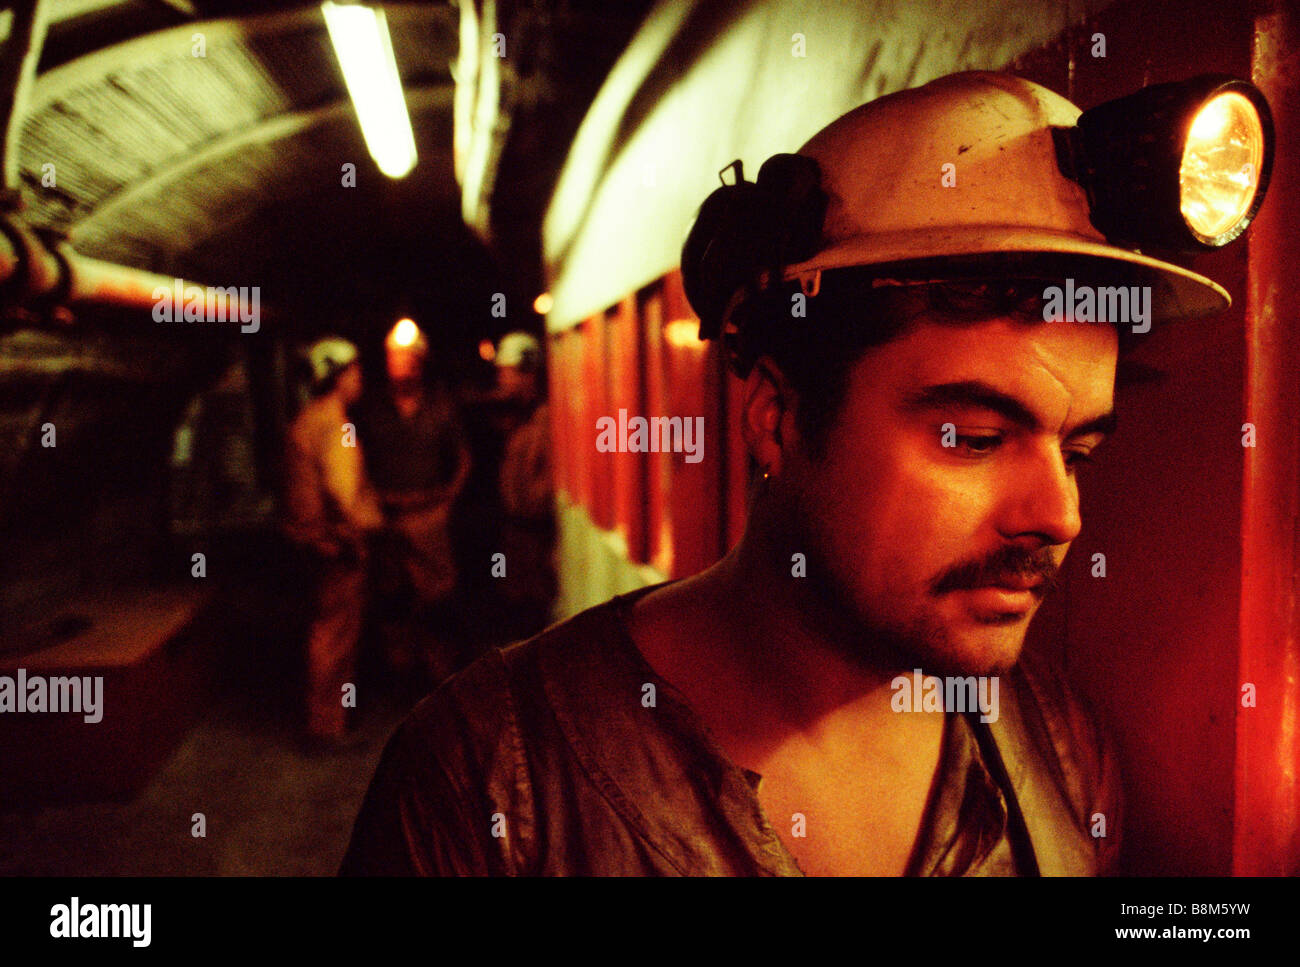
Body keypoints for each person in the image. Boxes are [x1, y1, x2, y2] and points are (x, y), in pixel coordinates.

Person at [339, 71, 1237, 875]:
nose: (1059, 514)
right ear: (777, 413)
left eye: (1078, 451)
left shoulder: (1066, 749)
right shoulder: (490, 788)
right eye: (972, 436)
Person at [282, 337, 383, 746]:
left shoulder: (309, 418)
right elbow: (343, 492)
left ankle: (325, 719)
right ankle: (326, 726)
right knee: (335, 635)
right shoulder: (335, 423)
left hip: (312, 540)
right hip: (334, 545)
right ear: (337, 376)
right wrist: (365, 531)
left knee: (325, 629)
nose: (360, 379)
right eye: (354, 371)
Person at [360, 319, 472, 687]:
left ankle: (440, 678)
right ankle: (400, 676)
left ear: (421, 361)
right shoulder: (370, 408)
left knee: (438, 601)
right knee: (391, 598)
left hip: (430, 517)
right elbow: (353, 458)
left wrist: (448, 502)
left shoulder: (441, 407)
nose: (399, 362)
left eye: (406, 356)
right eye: (394, 355)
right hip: (386, 516)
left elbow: (464, 458)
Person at [492, 331, 557, 640]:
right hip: (516, 531)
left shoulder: (545, 419)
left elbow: (543, 485)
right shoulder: (516, 418)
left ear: (527, 373)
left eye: (507, 371)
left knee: (536, 615)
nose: (501, 379)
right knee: (517, 611)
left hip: (536, 534)